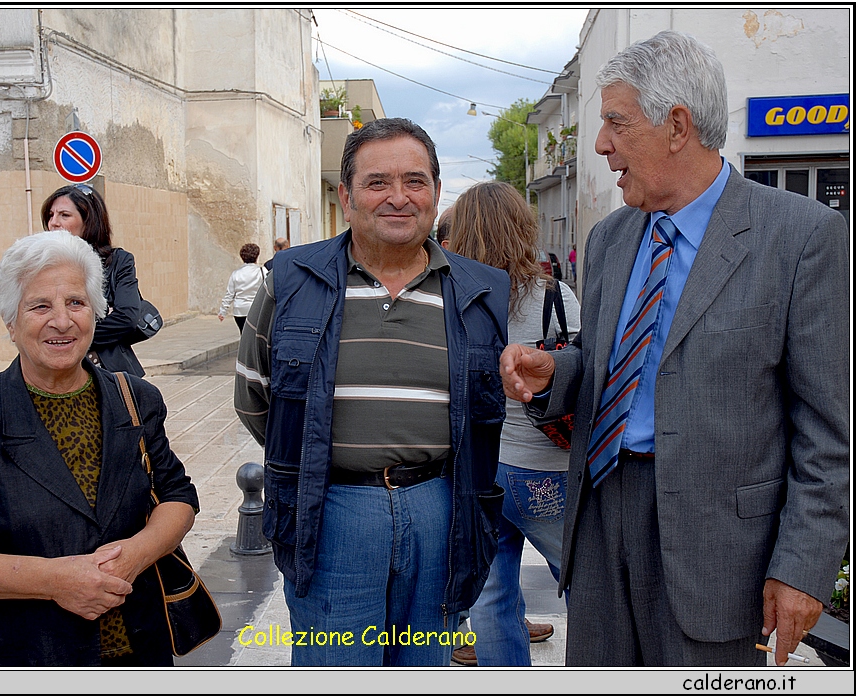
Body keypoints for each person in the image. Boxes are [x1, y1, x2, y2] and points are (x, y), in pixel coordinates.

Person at [500, 30, 848, 667]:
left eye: (615, 122)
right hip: (601, 518)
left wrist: (803, 566)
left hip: (720, 549)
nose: (601, 144)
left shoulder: (803, 239)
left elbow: (830, 429)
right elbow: (618, 367)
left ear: (677, 125)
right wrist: (557, 373)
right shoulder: (609, 239)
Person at [235, 118, 509, 666]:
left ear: (435, 191)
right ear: (347, 194)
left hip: (441, 511)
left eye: (415, 181)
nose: (398, 198)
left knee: (423, 667)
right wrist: (324, 458)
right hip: (330, 511)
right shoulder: (289, 279)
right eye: (377, 182)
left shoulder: (483, 290)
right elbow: (256, 398)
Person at [0, 230, 199, 666]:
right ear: (10, 321)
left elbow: (177, 495)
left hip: (140, 651)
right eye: (40, 305)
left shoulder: (136, 399)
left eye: (76, 303)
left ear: (96, 313)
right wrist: (55, 580)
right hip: (24, 656)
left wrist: (136, 555)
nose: (62, 321)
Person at [448, 181, 580, 667]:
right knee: (584, 580)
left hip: (479, 467)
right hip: (545, 466)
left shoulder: (450, 299)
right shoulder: (554, 297)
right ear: (523, 230)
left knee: (492, 595)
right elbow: (587, 370)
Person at [42, 183, 150, 377]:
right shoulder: (40, 265)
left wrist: (65, 338)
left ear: (88, 221)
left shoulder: (117, 261)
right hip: (52, 372)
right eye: (51, 215)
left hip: (108, 370)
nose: (54, 223)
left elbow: (126, 318)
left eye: (64, 215)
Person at [218, 243, 266, 333]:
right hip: (257, 308)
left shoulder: (236, 273)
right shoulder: (262, 271)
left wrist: (223, 311)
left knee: (243, 334)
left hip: (240, 310)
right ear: (257, 256)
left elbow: (229, 294)